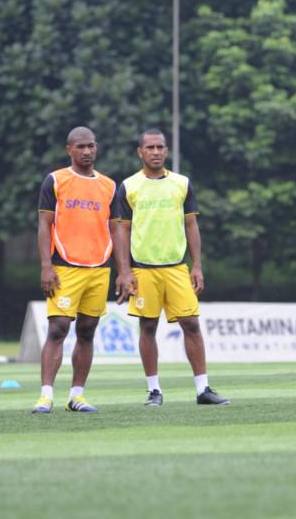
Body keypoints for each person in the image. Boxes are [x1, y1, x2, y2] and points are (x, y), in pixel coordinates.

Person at [114, 129, 229, 407]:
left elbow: (191, 225)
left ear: (167, 151)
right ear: (140, 152)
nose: (156, 152)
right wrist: (125, 270)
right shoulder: (128, 186)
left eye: (160, 147)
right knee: (148, 327)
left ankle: (203, 389)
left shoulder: (182, 183)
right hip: (144, 269)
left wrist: (197, 265)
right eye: (150, 147)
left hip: (177, 267)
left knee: (191, 324)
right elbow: (121, 230)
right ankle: (154, 390)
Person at [31, 127, 117, 414]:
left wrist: (125, 271)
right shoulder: (55, 180)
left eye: (91, 145)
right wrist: (46, 265)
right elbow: (44, 224)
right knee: (58, 328)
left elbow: (116, 227)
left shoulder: (109, 185)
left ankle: (77, 395)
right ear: (69, 149)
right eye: (81, 146)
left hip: (99, 267)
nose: (87, 151)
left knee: (88, 331)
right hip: (65, 267)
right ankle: (45, 396)